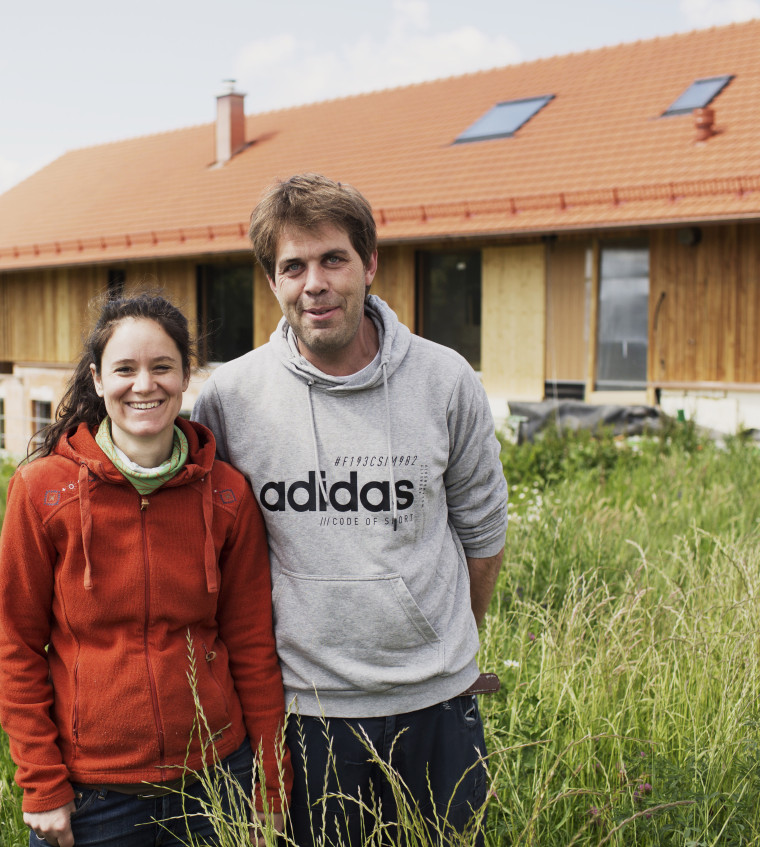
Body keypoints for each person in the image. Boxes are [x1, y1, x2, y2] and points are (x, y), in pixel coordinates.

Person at [192, 174, 508, 846]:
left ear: (369, 263)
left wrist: (448, 650)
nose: (315, 283)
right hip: (307, 713)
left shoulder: (445, 379)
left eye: (333, 258)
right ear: (272, 281)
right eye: (293, 266)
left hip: (438, 704)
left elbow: (483, 535)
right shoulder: (231, 397)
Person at [0, 291, 291, 847]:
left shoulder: (228, 494)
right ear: (98, 379)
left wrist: (270, 785)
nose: (144, 384)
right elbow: (16, 649)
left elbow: (252, 646)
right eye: (124, 369)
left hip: (215, 785)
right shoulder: (42, 492)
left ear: (187, 376)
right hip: (90, 799)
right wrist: (42, 785)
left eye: (162, 367)